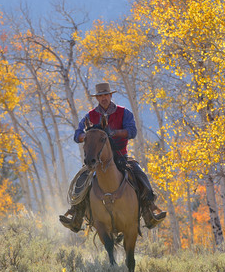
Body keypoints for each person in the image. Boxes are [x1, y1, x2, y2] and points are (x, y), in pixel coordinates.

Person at [59, 82, 167, 232]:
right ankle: (76, 214)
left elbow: (132, 131)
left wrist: (115, 133)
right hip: (96, 159)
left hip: (121, 157)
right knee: (81, 179)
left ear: (110, 96)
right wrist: (88, 136)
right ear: (97, 98)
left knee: (140, 174)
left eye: (105, 95)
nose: (103, 98)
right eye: (100, 96)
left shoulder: (124, 113)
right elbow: (77, 135)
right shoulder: (90, 116)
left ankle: (148, 210)